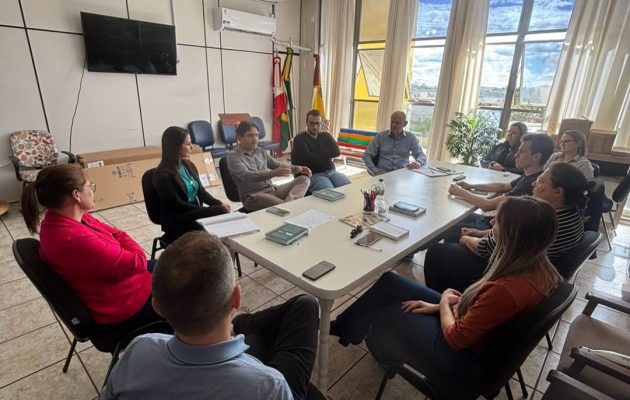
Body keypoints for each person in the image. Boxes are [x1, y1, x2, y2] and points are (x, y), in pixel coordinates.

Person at [329, 196, 561, 382]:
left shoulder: (508, 289)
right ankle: (344, 327)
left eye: (498, 222)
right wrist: (441, 306)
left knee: (392, 307)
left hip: (459, 356)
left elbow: (457, 338)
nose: (492, 224)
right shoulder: (540, 268)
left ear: (514, 235)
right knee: (391, 281)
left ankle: (380, 350)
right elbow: (488, 311)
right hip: (469, 324)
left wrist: (442, 304)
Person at [101, 231, 320, 400]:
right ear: (236, 299)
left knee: (275, 327)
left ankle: (239, 325)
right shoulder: (270, 386)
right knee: (305, 306)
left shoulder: (138, 349)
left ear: (157, 307)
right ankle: (238, 324)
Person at [21, 164, 163, 337]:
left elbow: (117, 235)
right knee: (188, 287)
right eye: (90, 186)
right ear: (76, 195)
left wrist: (119, 236)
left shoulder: (64, 218)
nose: (93, 191)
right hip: (124, 308)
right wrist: (121, 236)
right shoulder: (74, 238)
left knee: (176, 266)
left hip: (119, 286)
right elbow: (138, 261)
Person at [425, 163, 588, 293]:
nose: (534, 183)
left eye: (540, 181)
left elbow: (487, 249)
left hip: (508, 273)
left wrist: (466, 239)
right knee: (456, 231)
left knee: (438, 251)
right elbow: (513, 235)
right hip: (527, 268)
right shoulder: (572, 215)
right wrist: (481, 233)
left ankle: (445, 301)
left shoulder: (541, 219)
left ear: (558, 192)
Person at [153, 126, 231, 242]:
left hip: (194, 212)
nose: (192, 147)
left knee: (224, 217)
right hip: (177, 219)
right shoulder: (162, 174)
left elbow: (201, 192)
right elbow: (177, 205)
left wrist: (218, 203)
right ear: (176, 146)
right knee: (218, 219)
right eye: (188, 144)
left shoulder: (188, 165)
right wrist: (210, 210)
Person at [448, 133, 555, 213]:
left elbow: (487, 205)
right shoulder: (530, 175)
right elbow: (504, 186)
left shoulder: (530, 184)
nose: (516, 155)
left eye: (521, 152)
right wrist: (471, 186)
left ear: (536, 157)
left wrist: (459, 191)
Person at [227, 120, 311, 212]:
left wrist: (297, 168)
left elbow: (277, 165)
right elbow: (246, 176)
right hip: (254, 196)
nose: (255, 139)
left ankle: (287, 206)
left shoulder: (260, 151)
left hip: (273, 190)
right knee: (284, 208)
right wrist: (272, 173)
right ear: (240, 138)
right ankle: (287, 207)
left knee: (304, 179)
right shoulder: (233, 156)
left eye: (256, 135)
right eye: (250, 135)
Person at [291, 109, 351, 192]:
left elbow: (336, 152)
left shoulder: (326, 136)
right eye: (311, 123)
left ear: (321, 123)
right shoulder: (300, 139)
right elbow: (308, 159)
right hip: (314, 175)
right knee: (330, 193)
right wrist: (326, 154)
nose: (315, 127)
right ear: (306, 123)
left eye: (318, 123)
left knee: (349, 188)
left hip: (332, 172)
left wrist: (314, 153)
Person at [362, 111, 427, 176]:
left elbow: (421, 155)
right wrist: (375, 171)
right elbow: (366, 155)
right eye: (392, 122)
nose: (393, 125)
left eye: (397, 123)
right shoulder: (380, 136)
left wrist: (418, 162)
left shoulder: (411, 138)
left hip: (402, 174)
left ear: (405, 124)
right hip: (383, 173)